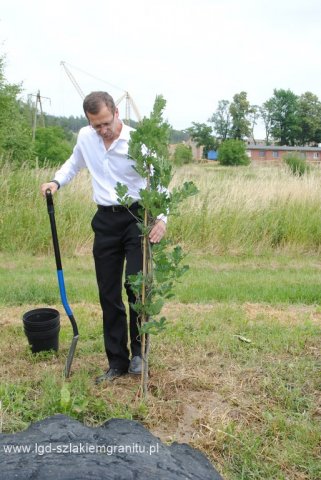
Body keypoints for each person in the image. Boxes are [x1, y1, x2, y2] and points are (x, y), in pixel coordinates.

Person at [41, 91, 166, 383]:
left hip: (136, 218)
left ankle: (139, 354)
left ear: (117, 113)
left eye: (106, 123)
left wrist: (162, 218)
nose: (102, 130)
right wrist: (56, 181)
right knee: (108, 293)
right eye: (96, 125)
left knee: (136, 288)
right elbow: (73, 164)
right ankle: (117, 362)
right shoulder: (86, 138)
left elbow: (160, 182)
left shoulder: (138, 142)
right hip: (105, 221)